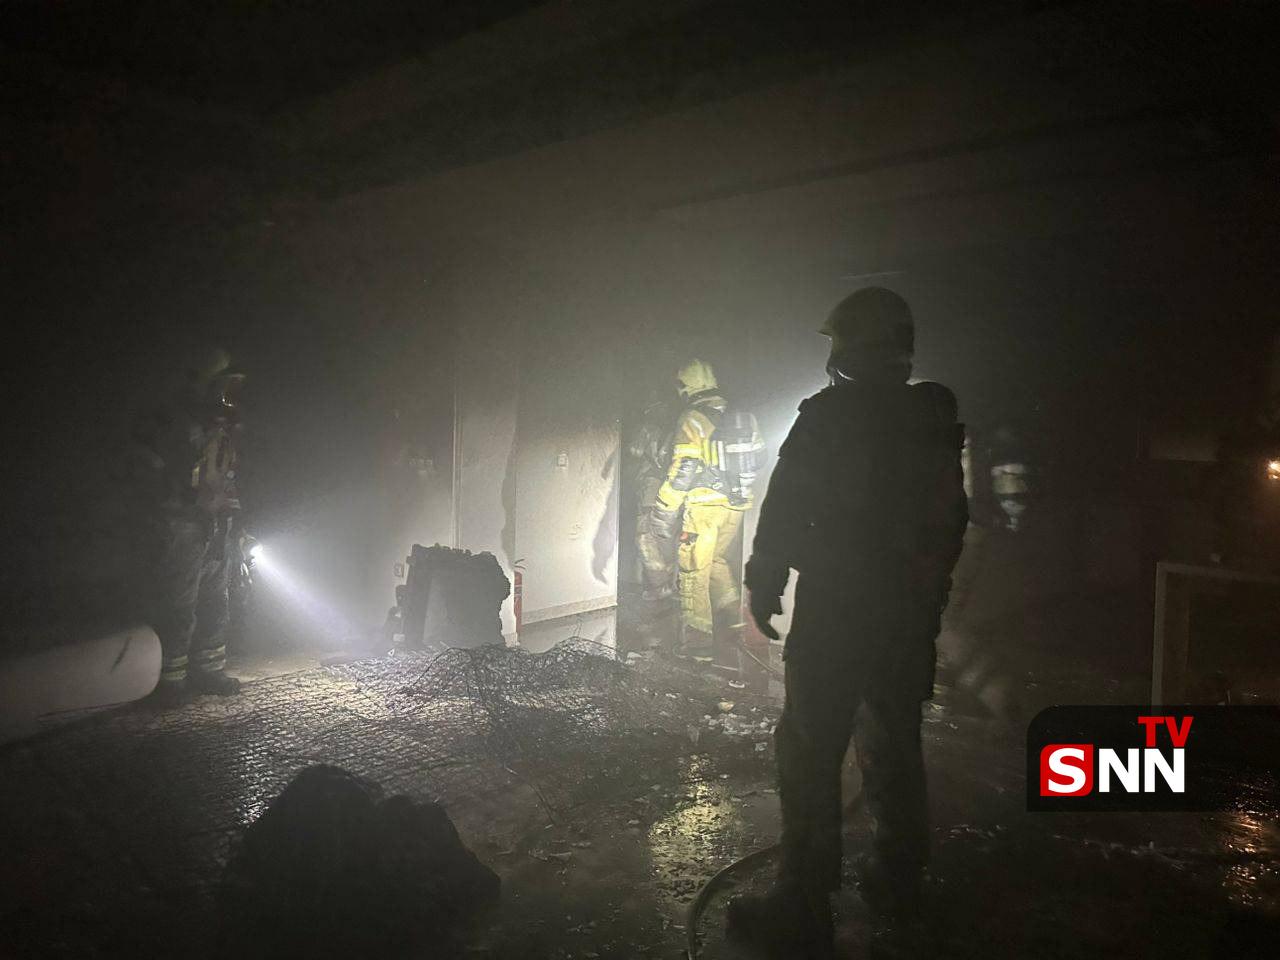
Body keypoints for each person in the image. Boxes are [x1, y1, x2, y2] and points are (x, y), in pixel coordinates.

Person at [728, 288, 967, 955]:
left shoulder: (828, 416)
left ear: (854, 346)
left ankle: (802, 903)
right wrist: (927, 598)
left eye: (839, 341)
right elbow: (951, 519)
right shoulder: (930, 416)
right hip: (905, 615)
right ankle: (898, 881)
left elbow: (786, 506)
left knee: (809, 750)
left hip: (837, 608)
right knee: (894, 743)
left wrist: (765, 581)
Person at [133, 348, 248, 705]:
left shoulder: (222, 430)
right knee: (178, 604)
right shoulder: (178, 427)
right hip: (184, 524)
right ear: (205, 386)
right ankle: (169, 681)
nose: (229, 397)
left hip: (216, 525)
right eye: (224, 388)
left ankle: (208, 671)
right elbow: (165, 476)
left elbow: (228, 477)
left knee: (216, 598)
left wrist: (235, 522)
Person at [649, 359, 763, 660]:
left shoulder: (693, 418)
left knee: (693, 572)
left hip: (703, 508)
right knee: (717, 561)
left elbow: (684, 469)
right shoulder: (744, 416)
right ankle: (735, 623)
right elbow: (760, 458)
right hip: (736, 505)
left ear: (687, 386)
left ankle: (697, 646)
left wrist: (664, 506)